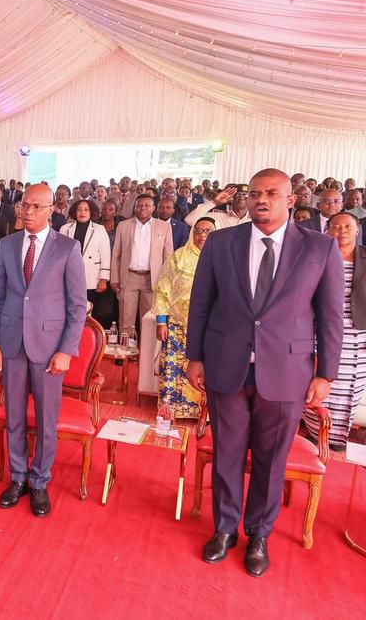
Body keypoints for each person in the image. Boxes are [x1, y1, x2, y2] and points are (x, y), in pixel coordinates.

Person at [187, 168, 343, 578]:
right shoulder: (221, 243)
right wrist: (195, 356)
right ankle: (225, 529)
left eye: (272, 194)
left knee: (272, 461)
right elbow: (200, 304)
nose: (262, 200)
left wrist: (325, 373)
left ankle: (258, 534)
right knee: (227, 455)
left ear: (290, 200)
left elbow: (329, 318)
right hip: (226, 366)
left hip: (288, 373)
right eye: (255, 193)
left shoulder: (319, 248)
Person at [0, 184, 86, 517]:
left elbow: (76, 306)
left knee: (46, 421)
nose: (27, 212)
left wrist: (67, 350)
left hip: (49, 348)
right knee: (15, 416)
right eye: (24, 206)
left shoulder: (68, 249)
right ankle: (18, 478)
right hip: (12, 343)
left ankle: (40, 481)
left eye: (35, 207)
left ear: (50, 211)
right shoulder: (7, 245)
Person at [302, 212, 366, 450]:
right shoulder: (315, 257)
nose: (342, 231)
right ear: (328, 230)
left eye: (348, 226)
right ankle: (313, 432)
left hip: (356, 334)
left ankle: (337, 439)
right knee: (317, 381)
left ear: (357, 229)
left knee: (347, 386)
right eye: (336, 227)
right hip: (318, 330)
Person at [152, 217, 216, 420]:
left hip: (209, 329)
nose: (202, 235)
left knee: (205, 369)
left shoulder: (223, 258)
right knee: (172, 368)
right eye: (198, 230)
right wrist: (161, 321)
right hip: (177, 326)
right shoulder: (178, 257)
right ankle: (169, 411)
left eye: (208, 231)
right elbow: (163, 288)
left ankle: (202, 413)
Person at [110, 194, 173, 335]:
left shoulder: (164, 227)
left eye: (147, 205)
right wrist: (114, 278)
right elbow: (116, 254)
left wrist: (166, 281)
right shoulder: (123, 225)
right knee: (126, 319)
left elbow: (168, 256)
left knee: (149, 320)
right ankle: (125, 353)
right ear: (135, 207)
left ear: (153, 208)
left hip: (152, 279)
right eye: (139, 205)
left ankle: (146, 356)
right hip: (129, 277)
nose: (142, 208)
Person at [60, 200, 113, 328]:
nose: (82, 212)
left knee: (90, 313)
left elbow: (106, 254)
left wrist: (104, 279)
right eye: (79, 209)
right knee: (71, 311)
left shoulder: (99, 229)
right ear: (74, 212)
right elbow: (59, 254)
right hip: (70, 276)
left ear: (91, 212)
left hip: (92, 277)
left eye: (86, 209)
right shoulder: (65, 228)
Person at [184, 184, 250, 228]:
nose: (241, 197)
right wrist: (214, 202)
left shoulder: (255, 219)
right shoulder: (218, 216)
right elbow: (189, 220)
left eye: (245, 195)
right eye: (238, 195)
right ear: (231, 198)